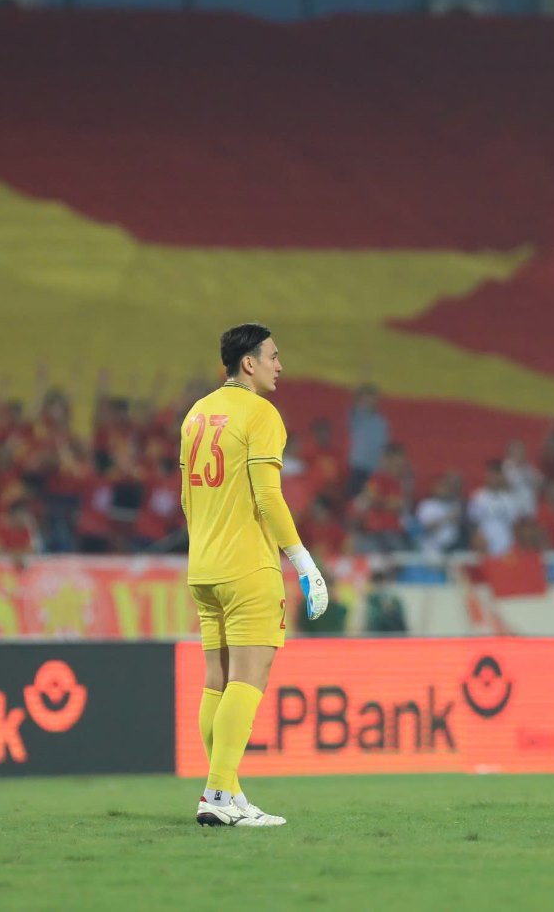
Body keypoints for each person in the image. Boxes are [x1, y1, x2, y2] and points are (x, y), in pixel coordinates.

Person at [184, 323, 327, 828]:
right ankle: (218, 794)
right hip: (247, 567)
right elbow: (268, 495)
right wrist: (304, 562)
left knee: (217, 683)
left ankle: (229, 791)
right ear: (249, 362)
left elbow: (186, 498)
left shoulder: (196, 413)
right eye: (273, 356)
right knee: (250, 678)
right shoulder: (262, 414)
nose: (279, 366)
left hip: (203, 568)